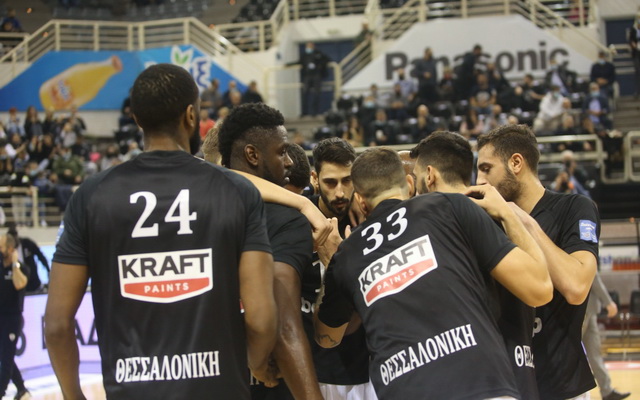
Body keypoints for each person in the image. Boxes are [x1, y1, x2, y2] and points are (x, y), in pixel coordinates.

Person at [44, 63, 278, 399]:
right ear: (190, 116)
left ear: (137, 119)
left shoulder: (91, 196)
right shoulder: (237, 191)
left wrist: (73, 395)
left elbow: (56, 326)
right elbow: (261, 318)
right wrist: (252, 365)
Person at [314, 147, 551, 399]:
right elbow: (539, 290)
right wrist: (507, 213)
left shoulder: (348, 253)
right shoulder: (449, 205)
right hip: (480, 384)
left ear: (361, 201)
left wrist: (332, 264)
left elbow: (327, 338)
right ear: (409, 184)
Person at [410, 131, 545, 399]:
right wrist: (509, 214)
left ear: (430, 175)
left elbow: (540, 288)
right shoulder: (497, 215)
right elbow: (540, 289)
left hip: (463, 376)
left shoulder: (422, 225)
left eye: (415, 177)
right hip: (515, 369)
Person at [476, 124, 599, 399]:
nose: (480, 180)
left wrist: (522, 221)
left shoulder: (575, 208)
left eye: (486, 169)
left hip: (562, 385)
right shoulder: (485, 220)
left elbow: (576, 286)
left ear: (516, 163)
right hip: (506, 384)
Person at [217, 103, 321, 400]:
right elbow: (284, 327)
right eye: (282, 151)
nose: (289, 161)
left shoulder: (199, 208)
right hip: (272, 382)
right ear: (252, 155)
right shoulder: (287, 219)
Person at [309, 137, 376, 399]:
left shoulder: (370, 219)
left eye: (347, 181)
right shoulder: (296, 220)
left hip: (368, 368)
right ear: (314, 179)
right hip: (318, 368)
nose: (340, 193)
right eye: (330, 182)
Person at [583, 273, 630, 400]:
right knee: (572, 351)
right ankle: (570, 390)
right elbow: (594, 278)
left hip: (589, 310)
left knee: (595, 353)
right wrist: (608, 302)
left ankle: (607, 390)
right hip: (581, 309)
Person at [0, 233, 30, 400]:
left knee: (6, 358)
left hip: (12, 319)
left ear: (10, 249)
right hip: (0, 317)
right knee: (5, 356)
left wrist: (14, 264)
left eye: (1, 247)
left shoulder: (21, 269)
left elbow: (19, 284)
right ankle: (22, 390)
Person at [8, 225, 50, 293]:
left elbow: (41, 256)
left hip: (33, 280)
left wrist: (48, 270)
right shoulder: (8, 249)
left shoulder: (27, 243)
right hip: (17, 283)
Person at [292, 42, 330, 116]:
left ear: (313, 47)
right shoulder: (304, 55)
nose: (308, 48)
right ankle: (304, 112)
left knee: (316, 94)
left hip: (316, 76)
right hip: (307, 76)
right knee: (305, 94)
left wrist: (319, 66)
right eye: (307, 47)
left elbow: (327, 59)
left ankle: (315, 112)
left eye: (310, 46)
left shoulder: (318, 53)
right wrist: (288, 64)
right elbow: (299, 62)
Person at [628, 14, 640, 97]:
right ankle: (638, 91)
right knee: (638, 71)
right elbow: (630, 39)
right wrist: (632, 43)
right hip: (636, 53)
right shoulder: (633, 29)